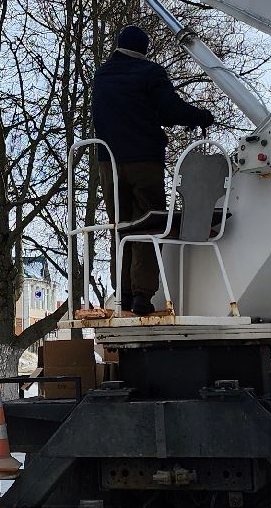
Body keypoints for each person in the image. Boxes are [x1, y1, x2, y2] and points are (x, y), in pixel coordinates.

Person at [90, 25, 216, 316]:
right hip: (144, 162)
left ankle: (121, 292)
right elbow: (170, 110)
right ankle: (142, 297)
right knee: (147, 225)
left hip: (108, 163)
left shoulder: (102, 74)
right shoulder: (150, 73)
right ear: (143, 50)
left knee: (120, 228)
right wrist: (200, 116)